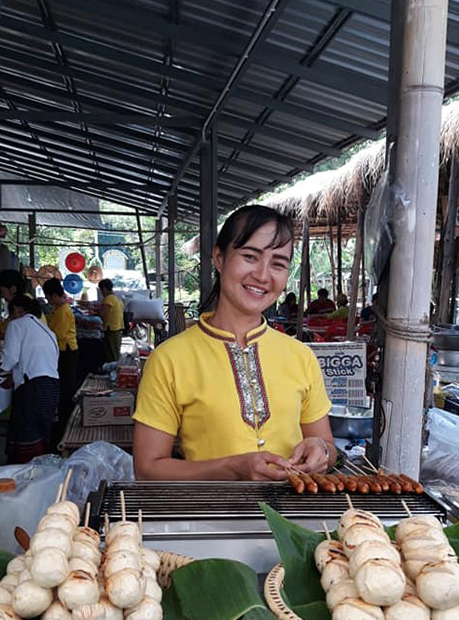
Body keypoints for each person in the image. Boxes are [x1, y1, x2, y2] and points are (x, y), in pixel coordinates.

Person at [133, 204, 335, 481]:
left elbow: (328, 446)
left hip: (291, 521)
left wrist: (321, 449)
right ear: (219, 258)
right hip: (210, 519)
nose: (263, 276)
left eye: (278, 263)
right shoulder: (169, 359)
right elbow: (147, 468)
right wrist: (231, 469)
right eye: (250, 256)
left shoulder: (301, 356)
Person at [0, 294, 59, 463]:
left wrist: (0, 374)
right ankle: (38, 475)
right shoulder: (47, 330)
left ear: (17, 310)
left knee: (26, 437)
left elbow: (10, 358)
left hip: (33, 387)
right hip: (51, 387)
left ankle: (23, 476)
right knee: (41, 435)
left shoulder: (17, 325)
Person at [42, 278, 79, 442]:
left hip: (67, 351)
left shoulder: (63, 310)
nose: (48, 301)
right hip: (61, 351)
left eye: (49, 297)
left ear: (54, 295)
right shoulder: (57, 309)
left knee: (67, 387)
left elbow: (60, 334)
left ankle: (68, 421)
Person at [95, 278, 124, 362]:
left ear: (104, 288)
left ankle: (112, 371)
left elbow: (104, 314)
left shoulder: (109, 299)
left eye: (101, 290)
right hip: (117, 328)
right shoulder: (117, 299)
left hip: (111, 329)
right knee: (115, 352)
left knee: (111, 353)